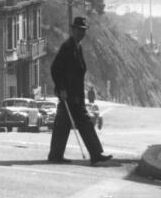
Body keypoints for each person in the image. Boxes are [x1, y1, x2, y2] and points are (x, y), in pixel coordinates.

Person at [47, 16, 112, 164]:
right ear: (72, 30)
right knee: (77, 124)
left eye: (83, 30)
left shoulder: (77, 46)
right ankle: (94, 154)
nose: (81, 33)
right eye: (78, 30)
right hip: (68, 95)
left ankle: (58, 155)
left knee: (70, 125)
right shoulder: (67, 47)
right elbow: (55, 69)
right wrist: (61, 88)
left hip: (76, 95)